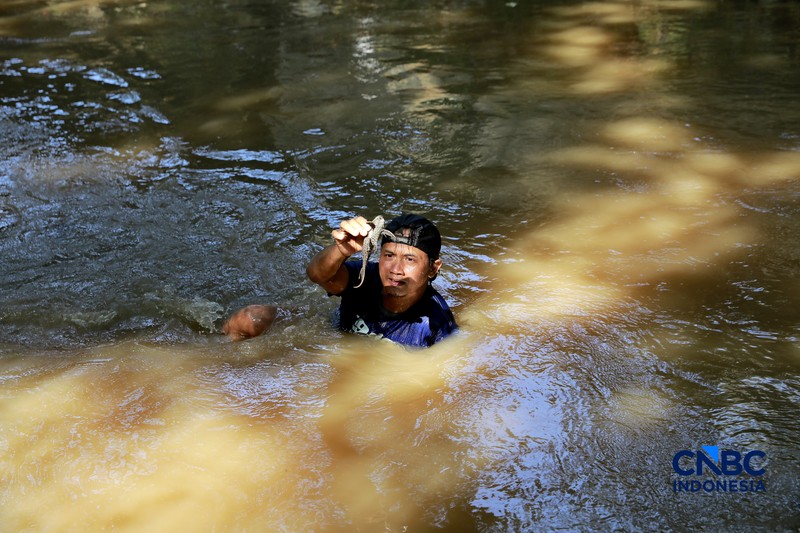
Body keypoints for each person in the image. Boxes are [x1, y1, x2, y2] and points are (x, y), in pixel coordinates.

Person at [306, 213, 457, 347]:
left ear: (433, 268)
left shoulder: (436, 328)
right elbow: (317, 275)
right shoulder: (364, 278)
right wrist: (341, 250)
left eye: (410, 259)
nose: (396, 269)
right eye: (389, 256)